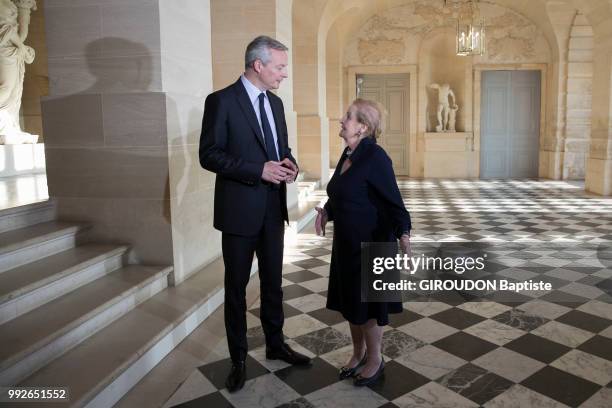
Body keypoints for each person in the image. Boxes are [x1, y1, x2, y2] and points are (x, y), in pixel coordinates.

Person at [199, 35, 310, 393]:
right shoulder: (221, 101)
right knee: (236, 288)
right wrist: (256, 169)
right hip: (238, 212)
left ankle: (276, 345)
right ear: (258, 65)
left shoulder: (275, 105)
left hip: (272, 209)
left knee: (273, 283)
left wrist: (290, 165)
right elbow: (209, 154)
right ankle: (238, 359)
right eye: (280, 67)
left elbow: (281, 148)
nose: (284, 74)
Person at [315, 99, 411, 386]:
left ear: (363, 127)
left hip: (372, 242)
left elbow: (395, 203)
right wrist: (328, 212)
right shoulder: (349, 152)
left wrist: (404, 234)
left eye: (347, 117)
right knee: (351, 302)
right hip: (346, 242)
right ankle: (357, 354)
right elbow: (342, 192)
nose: (341, 121)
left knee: (369, 306)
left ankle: (375, 358)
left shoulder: (376, 157)